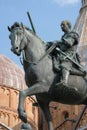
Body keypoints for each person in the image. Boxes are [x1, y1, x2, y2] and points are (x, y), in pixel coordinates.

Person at [48, 20, 80, 87]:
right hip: (62, 54)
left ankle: (64, 82)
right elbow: (61, 46)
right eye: (61, 25)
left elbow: (69, 43)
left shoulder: (73, 34)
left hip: (69, 56)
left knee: (64, 65)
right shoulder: (64, 36)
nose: (61, 27)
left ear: (68, 26)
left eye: (63, 25)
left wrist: (58, 42)